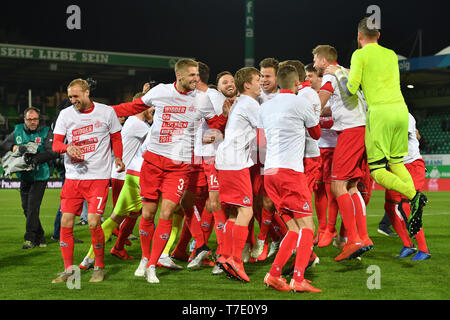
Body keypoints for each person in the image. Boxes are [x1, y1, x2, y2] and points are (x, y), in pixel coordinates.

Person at [110, 59, 230, 284]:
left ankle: (153, 264)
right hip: (153, 163)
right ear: (179, 76)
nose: (197, 79)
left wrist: (224, 115)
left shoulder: (202, 99)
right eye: (192, 75)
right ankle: (145, 258)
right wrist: (106, 111)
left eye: (197, 75)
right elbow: (134, 107)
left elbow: (216, 125)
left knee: (166, 213)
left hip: (180, 167)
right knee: (147, 213)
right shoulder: (161, 91)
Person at [324, 17, 427, 237]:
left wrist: (339, 72)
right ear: (379, 35)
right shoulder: (390, 54)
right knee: (397, 163)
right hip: (401, 110)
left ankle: (414, 196)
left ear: (359, 36)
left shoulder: (359, 54)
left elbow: (351, 89)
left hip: (380, 114)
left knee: (379, 170)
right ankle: (414, 198)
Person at [51, 78, 125, 283]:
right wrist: (67, 147)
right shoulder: (65, 115)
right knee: (66, 222)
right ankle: (69, 270)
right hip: (73, 178)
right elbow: (56, 144)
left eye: (76, 96)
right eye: (70, 97)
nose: (72, 100)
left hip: (98, 178)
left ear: (86, 92)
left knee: (93, 222)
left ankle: (99, 266)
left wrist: (118, 157)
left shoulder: (106, 112)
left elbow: (116, 138)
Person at [259, 64, 321, 292]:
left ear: (278, 82)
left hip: (270, 173)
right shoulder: (301, 102)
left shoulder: (266, 106)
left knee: (293, 229)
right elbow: (316, 134)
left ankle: (274, 275)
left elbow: (262, 138)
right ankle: (298, 278)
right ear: (297, 83)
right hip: (290, 172)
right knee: (308, 227)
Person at [313, 44, 372, 262]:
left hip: (350, 132)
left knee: (337, 185)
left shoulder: (329, 75)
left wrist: (304, 114)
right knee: (352, 185)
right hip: (361, 129)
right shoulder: (346, 72)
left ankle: (353, 240)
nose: (314, 63)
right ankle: (363, 237)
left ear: (323, 60)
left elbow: (321, 101)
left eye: (315, 59)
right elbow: (342, 103)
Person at [214, 66, 261, 282]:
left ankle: (226, 257)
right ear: (248, 84)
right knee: (246, 212)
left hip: (226, 160)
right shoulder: (250, 103)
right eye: (258, 79)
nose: (260, 83)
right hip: (235, 162)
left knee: (234, 214)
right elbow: (266, 126)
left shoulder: (241, 102)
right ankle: (235, 260)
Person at [0, 106, 59, 249]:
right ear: (24, 119)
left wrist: (34, 159)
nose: (32, 122)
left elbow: (52, 152)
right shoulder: (18, 130)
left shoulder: (46, 131)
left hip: (40, 175)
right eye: (29, 119)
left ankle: (30, 239)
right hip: (25, 176)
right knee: (26, 208)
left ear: (39, 119)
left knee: (32, 207)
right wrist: (15, 147)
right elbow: (4, 145)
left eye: (35, 119)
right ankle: (40, 236)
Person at [385, 113, 430, 260]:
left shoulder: (405, 115)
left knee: (407, 206)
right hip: (396, 167)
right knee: (390, 206)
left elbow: (401, 135)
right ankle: (408, 245)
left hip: (412, 165)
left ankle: (423, 250)